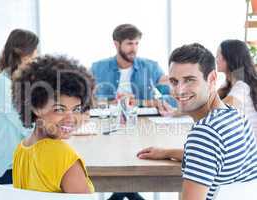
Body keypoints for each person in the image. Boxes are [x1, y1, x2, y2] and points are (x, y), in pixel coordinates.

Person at [137, 43, 257, 200]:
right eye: (174, 81)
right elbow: (210, 157)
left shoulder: (205, 134)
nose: (179, 90)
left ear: (212, 78)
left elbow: (205, 147)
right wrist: (167, 152)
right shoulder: (236, 116)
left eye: (189, 80)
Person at [12, 55, 95, 193]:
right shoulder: (63, 157)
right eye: (59, 109)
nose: (71, 118)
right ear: (36, 106)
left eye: (76, 109)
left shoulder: (21, 150)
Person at [0, 29, 39, 184]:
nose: (36, 56)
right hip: (8, 167)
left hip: (20, 157)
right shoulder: (3, 84)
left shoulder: (19, 80)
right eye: (34, 51)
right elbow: (24, 123)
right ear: (21, 52)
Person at [91, 23, 175, 108]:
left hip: (144, 119)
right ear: (116, 44)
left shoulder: (152, 68)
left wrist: (140, 102)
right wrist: (109, 104)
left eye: (136, 43)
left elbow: (173, 99)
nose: (134, 49)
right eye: (129, 44)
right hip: (107, 118)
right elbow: (84, 99)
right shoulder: (97, 68)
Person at [216, 39, 257, 136]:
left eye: (218, 55)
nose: (216, 59)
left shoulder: (241, 87)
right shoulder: (228, 85)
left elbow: (215, 109)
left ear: (230, 58)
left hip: (249, 149)